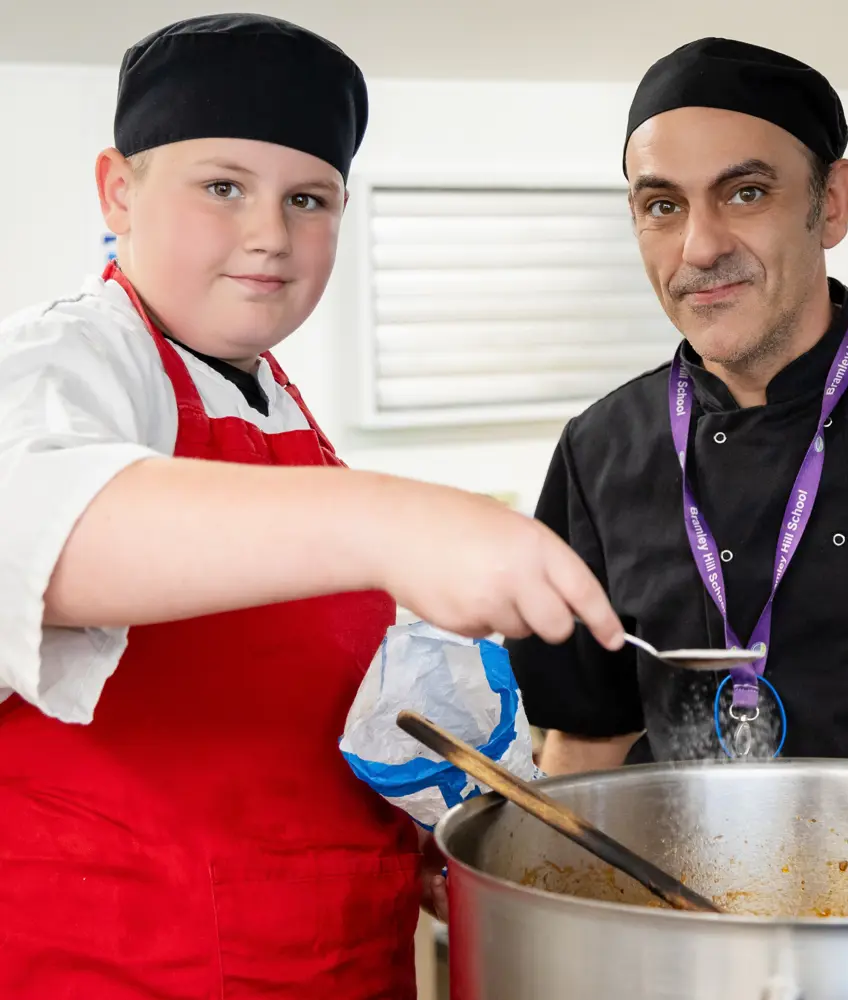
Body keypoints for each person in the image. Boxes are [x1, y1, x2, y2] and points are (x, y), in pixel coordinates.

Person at [0, 14, 622, 999]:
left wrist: (396, 833)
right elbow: (41, 539)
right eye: (222, 187)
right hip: (124, 966)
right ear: (117, 190)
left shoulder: (275, 404)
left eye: (309, 198)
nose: (269, 235)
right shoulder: (57, 363)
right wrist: (396, 518)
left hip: (333, 959)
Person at [507, 36, 848, 777]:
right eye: (663, 205)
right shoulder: (598, 450)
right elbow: (585, 746)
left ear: (830, 205)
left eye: (745, 193)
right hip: (681, 889)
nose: (699, 247)